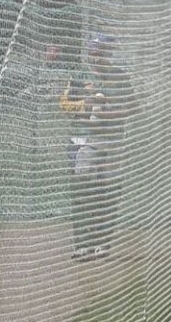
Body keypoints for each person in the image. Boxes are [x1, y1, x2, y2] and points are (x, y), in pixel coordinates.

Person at [58, 33, 136, 260]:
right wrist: (87, 105)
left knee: (108, 194)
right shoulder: (80, 76)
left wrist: (111, 113)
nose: (95, 57)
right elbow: (64, 105)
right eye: (92, 52)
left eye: (99, 53)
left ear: (108, 53)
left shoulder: (120, 77)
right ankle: (82, 244)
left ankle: (102, 243)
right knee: (83, 191)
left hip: (112, 143)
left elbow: (134, 107)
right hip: (82, 142)